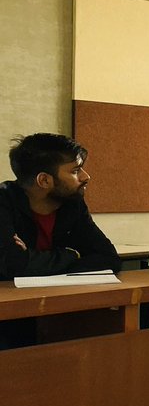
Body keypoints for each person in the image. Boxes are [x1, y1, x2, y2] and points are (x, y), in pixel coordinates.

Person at [0, 133, 121, 348]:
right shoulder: (3, 202)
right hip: (8, 316)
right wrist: (70, 254)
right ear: (44, 180)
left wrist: (32, 259)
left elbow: (109, 259)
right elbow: (11, 265)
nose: (86, 177)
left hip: (54, 311)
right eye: (75, 171)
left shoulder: (72, 205)